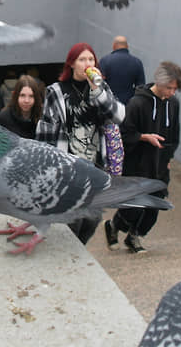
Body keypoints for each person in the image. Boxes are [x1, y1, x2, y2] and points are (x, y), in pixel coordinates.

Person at [37, 43, 125, 244]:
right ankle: (70, 256)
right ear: (71, 64)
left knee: (92, 220)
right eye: (82, 59)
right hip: (68, 169)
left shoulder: (101, 89)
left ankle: (80, 249)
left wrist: (98, 91)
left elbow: (119, 116)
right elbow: (45, 133)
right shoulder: (56, 91)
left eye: (91, 59)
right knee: (72, 221)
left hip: (95, 167)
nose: (88, 63)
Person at [106, 61, 181, 254]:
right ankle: (114, 225)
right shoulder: (138, 103)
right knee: (134, 208)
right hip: (138, 165)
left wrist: (168, 158)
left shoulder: (173, 104)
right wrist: (143, 137)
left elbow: (174, 135)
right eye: (169, 88)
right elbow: (124, 134)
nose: (172, 92)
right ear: (159, 82)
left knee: (154, 207)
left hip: (159, 167)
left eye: (175, 89)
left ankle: (135, 238)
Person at [99, 35, 145, 104]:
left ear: (114, 46)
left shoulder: (104, 61)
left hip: (108, 105)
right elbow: (141, 87)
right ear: (127, 46)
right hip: (128, 106)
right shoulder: (137, 62)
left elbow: (99, 85)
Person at [0, 75, 43, 139]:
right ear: (16, 96)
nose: (27, 101)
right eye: (22, 95)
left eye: (31, 96)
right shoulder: (3, 118)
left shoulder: (42, 116)